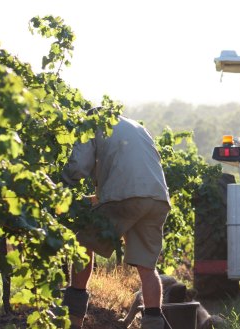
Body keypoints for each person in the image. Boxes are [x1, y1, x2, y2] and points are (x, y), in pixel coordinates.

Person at [61, 108, 171, 329]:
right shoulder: (137, 127)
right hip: (157, 198)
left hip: (124, 196)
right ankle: (153, 322)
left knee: (83, 245)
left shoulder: (92, 124)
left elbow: (78, 168)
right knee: (147, 268)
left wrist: (59, 190)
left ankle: (73, 318)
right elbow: (132, 172)